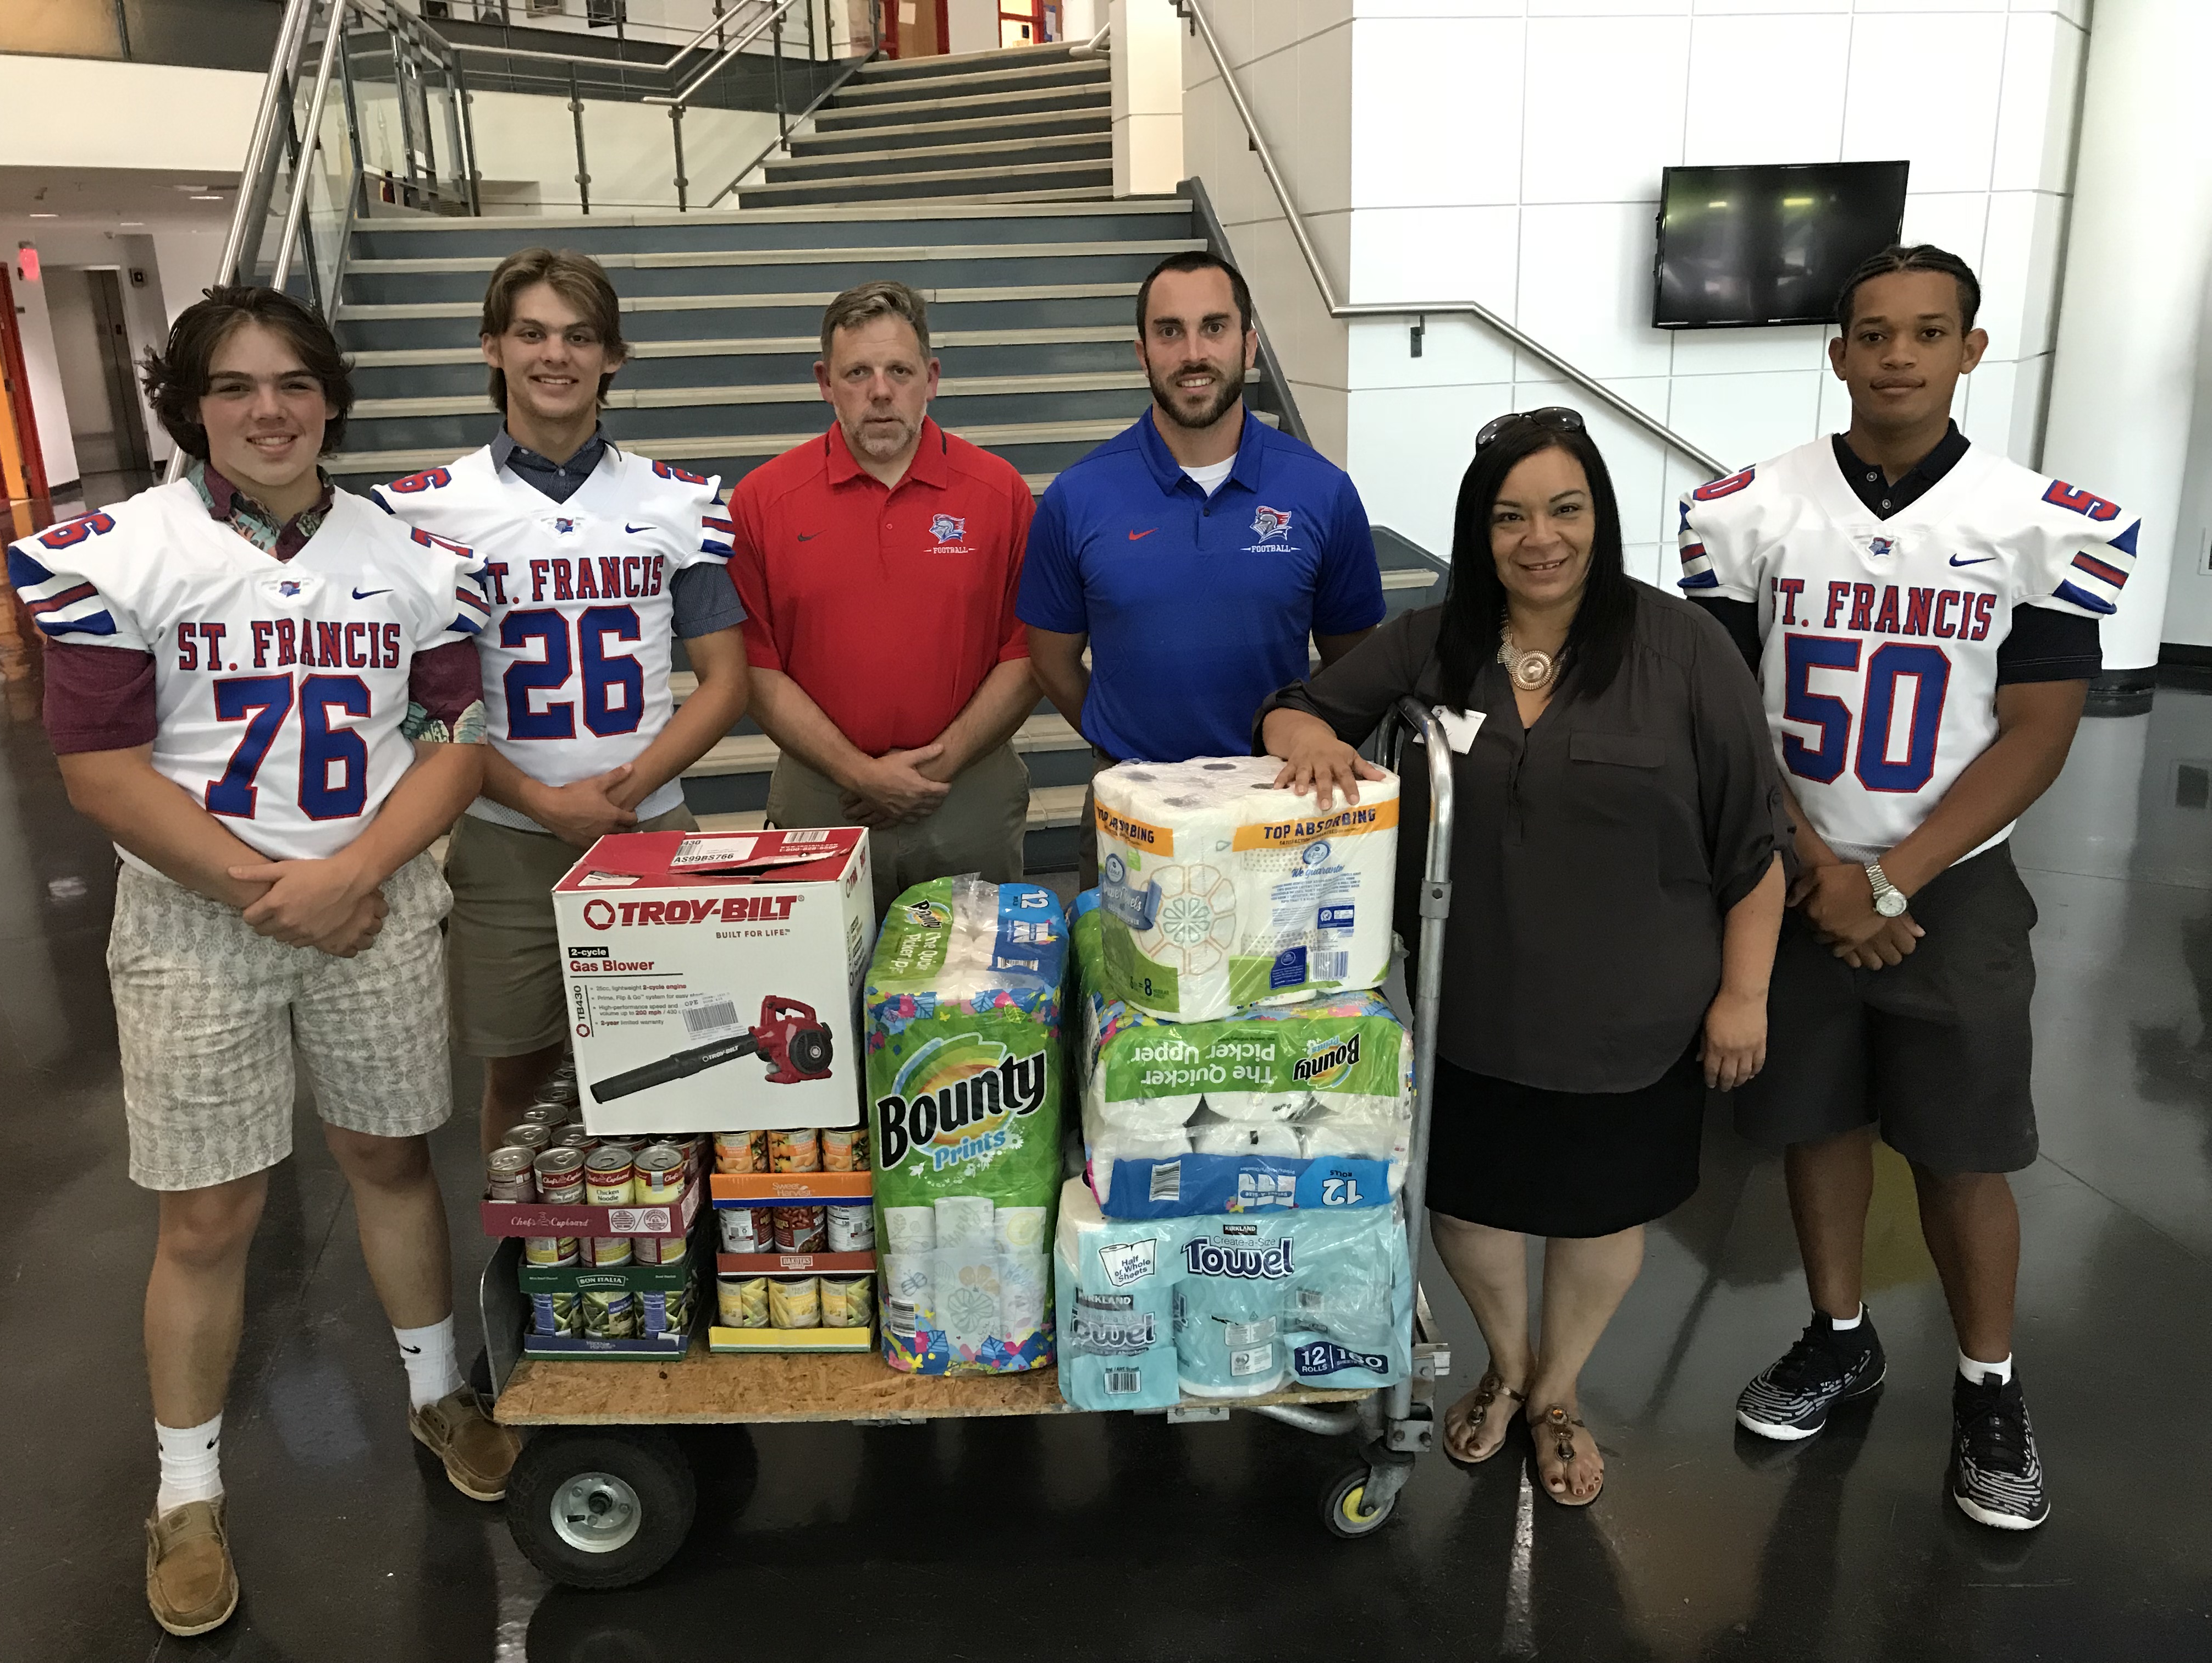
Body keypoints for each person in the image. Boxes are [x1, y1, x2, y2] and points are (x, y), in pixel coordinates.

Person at [5, 288, 515, 1637]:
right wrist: (260, 888)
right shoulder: (118, 553)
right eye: (235, 387)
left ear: (331, 394)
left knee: (394, 1159)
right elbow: (101, 771)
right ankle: (184, 1487)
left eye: (293, 381)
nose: (270, 409)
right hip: (195, 914)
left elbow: (458, 740)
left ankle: (435, 1390)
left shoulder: (413, 555)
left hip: (373, 894)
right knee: (208, 1213)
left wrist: (350, 874)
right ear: (191, 406)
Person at [1681, 245, 2134, 1532]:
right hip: (1798, 869)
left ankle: (1990, 1388)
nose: (1897, 354)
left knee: (1961, 1148)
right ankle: (1840, 1335)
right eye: (1873, 333)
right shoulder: (1753, 508)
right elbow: (1726, 716)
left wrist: (1890, 883)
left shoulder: (2033, 518)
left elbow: (2043, 727)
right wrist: (1825, 873)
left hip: (1952, 883)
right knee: (1816, 1120)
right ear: (1837, 352)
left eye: (1927, 333)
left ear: (1969, 351)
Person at [1260, 410, 1786, 1506]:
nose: (1539, 538)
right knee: (1473, 1209)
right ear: (1478, 530)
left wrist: (1745, 994)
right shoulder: (1437, 640)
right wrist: (1307, 733)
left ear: (1598, 515)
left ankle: (1558, 1393)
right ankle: (1505, 1365)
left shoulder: (1682, 649)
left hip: (1634, 1013)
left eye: (1564, 509)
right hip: (1475, 1005)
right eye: (1509, 516)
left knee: (1601, 1213)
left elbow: (1753, 841)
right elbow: (1302, 707)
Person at [368, 246, 749, 1152]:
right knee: (522, 1074)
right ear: (492, 346)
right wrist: (544, 800)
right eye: (532, 332)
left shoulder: (676, 498)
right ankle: (533, 1275)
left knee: (691, 1056)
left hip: (648, 819)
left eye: (580, 336)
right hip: (506, 832)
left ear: (612, 356)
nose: (556, 355)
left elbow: (726, 680)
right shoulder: (428, 509)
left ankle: (675, 1262)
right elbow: (423, 708)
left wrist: (619, 793)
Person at [1016, 250, 1387, 885]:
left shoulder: (1322, 492)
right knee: (1121, 986)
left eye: (1214, 328)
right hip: (1129, 812)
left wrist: (1299, 742)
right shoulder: (1078, 497)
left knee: (1278, 985)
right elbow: (1050, 659)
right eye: (1170, 332)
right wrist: (1125, 749)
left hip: (1279, 809)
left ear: (1248, 345)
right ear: (1143, 354)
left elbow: (1354, 666)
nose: (1193, 352)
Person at [728, 279, 1038, 919]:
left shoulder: (999, 493)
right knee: (817, 1007)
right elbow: (754, 668)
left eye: (899, 371)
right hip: (824, 797)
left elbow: (1028, 653)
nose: (880, 392)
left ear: (931, 377)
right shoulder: (762, 501)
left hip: (966, 795)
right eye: (857, 372)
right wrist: (859, 773)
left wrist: (930, 770)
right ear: (824, 381)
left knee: (978, 1001)